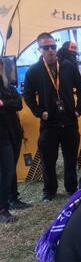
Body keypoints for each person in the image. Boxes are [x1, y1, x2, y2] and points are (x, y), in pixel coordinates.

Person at [23, 32, 81, 202]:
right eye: (46, 47)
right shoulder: (34, 71)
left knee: (71, 157)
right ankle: (49, 191)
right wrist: (39, 112)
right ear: (40, 49)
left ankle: (72, 188)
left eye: (53, 46)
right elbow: (27, 95)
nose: (51, 50)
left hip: (69, 121)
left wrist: (78, 109)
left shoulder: (69, 67)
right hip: (49, 123)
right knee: (48, 160)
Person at [0, 58, 30, 223]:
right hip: (1, 136)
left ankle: (13, 199)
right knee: (6, 170)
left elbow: (19, 103)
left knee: (11, 169)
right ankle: (2, 208)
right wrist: (8, 104)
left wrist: (3, 103)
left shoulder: (8, 86)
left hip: (14, 132)